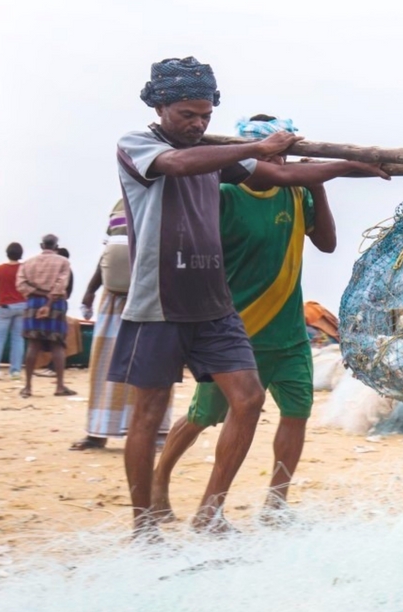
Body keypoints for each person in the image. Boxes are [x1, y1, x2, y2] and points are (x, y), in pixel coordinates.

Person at [112, 57, 389, 539]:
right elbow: (176, 164)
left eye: (204, 116)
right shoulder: (139, 145)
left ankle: (211, 512)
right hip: (159, 301)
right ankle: (144, 525)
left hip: (214, 305)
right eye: (186, 115)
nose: (197, 125)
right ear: (160, 106)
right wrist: (257, 147)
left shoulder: (222, 158)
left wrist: (349, 166)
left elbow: (281, 178)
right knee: (150, 412)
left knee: (248, 398)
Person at [152, 113, 341, 524]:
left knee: (296, 413)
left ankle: (275, 504)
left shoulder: (295, 195)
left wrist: (317, 189)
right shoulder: (223, 195)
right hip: (237, 332)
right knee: (204, 416)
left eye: (287, 158)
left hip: (290, 333)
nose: (283, 166)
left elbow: (326, 243)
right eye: (276, 157)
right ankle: (161, 483)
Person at [71, 201, 173, 451]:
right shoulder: (119, 205)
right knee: (105, 365)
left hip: (154, 296)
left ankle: (156, 433)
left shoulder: (172, 197)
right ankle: (98, 431)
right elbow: (108, 252)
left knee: (153, 364)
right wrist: (90, 290)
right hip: (113, 298)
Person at [15, 234, 74, 398]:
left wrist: (38, 293)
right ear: (56, 246)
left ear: (42, 245)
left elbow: (20, 284)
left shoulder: (28, 263)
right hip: (56, 303)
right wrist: (48, 302)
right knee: (58, 344)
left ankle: (27, 387)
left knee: (33, 345)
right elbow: (61, 284)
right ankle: (60, 386)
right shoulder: (63, 262)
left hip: (33, 303)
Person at [0, 242, 27, 380]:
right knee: (18, 339)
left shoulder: (0, 269)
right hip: (21, 306)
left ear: (7, 253)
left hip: (5, 307)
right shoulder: (24, 269)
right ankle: (15, 371)